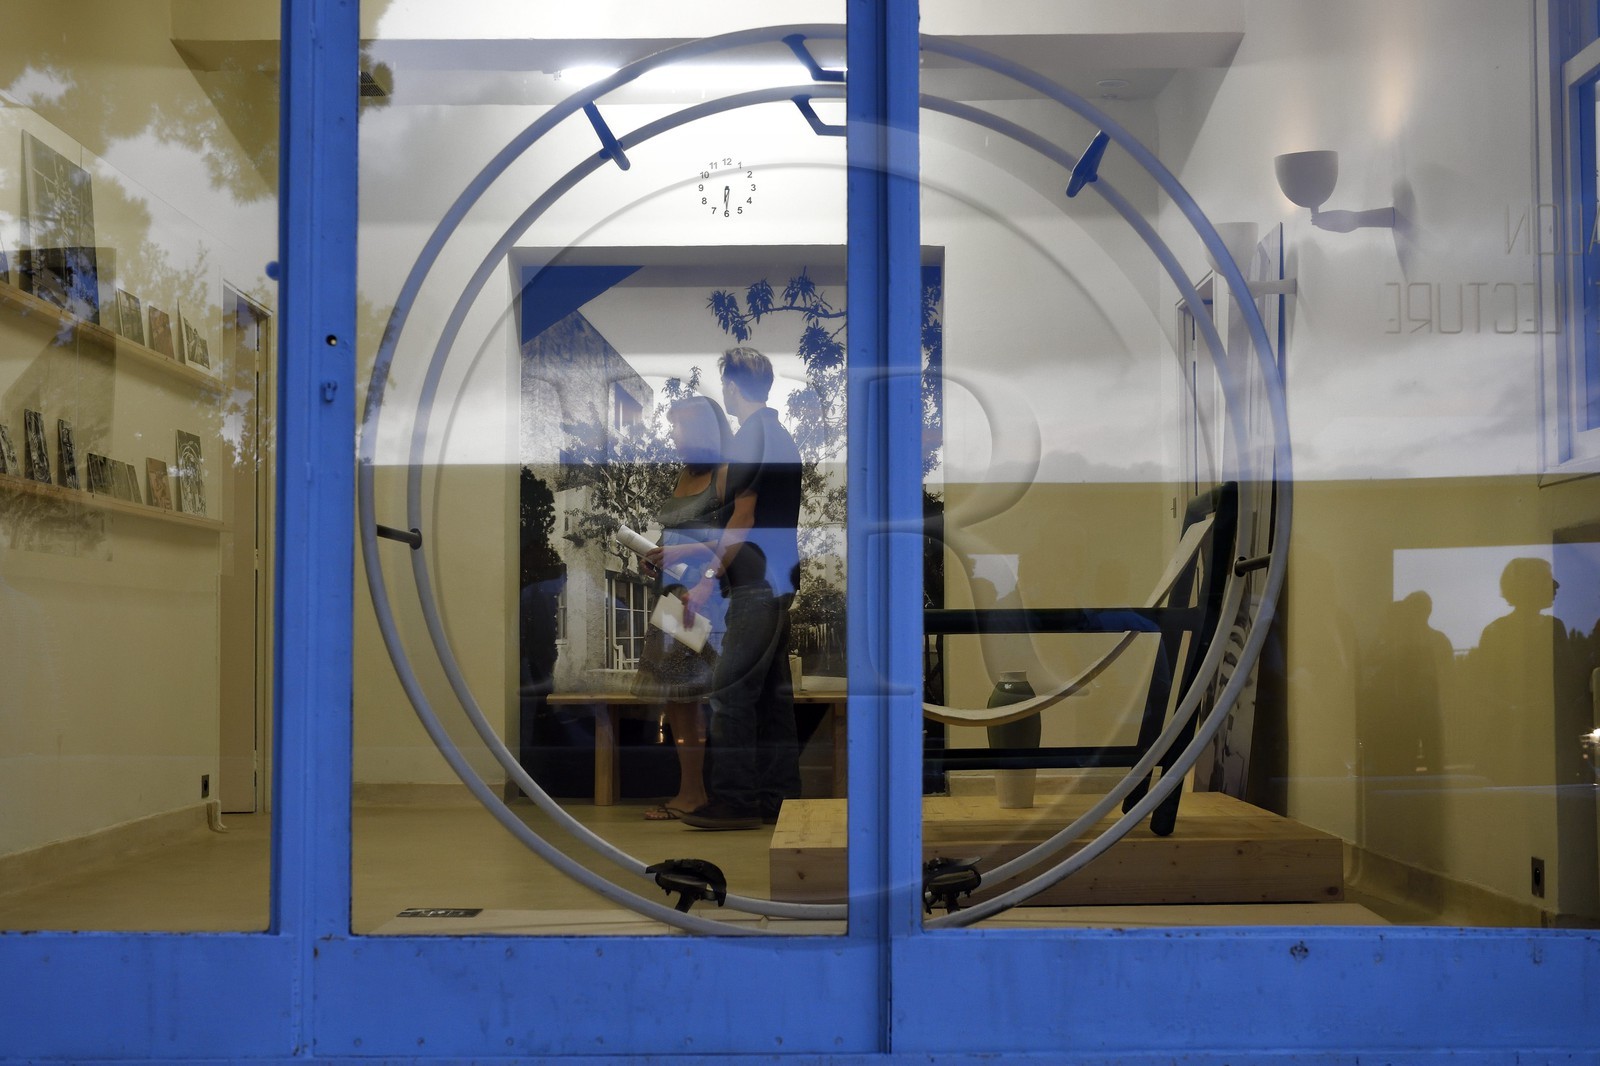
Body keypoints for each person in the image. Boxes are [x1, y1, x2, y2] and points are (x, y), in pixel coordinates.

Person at [651, 346, 803, 830]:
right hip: (780, 582)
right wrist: (688, 557)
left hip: (754, 585)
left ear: (733, 388)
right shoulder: (783, 437)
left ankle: (736, 801)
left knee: (731, 693)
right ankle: (781, 801)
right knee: (773, 698)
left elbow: (743, 520)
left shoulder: (749, 439)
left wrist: (706, 583)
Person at [632, 396, 734, 820]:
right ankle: (690, 791)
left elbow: (737, 541)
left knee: (709, 698)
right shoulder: (683, 474)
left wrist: (690, 564)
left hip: (706, 598)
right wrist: (655, 555)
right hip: (672, 598)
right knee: (678, 700)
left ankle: (711, 794)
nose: (673, 437)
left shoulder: (725, 474)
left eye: (679, 428)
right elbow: (674, 536)